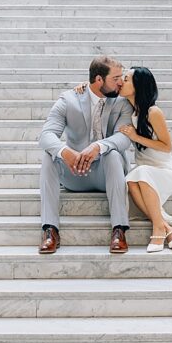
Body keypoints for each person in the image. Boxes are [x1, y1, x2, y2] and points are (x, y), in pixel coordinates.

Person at [75, 66, 172, 253]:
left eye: (126, 79)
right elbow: (102, 91)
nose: (121, 82)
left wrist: (136, 137)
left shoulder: (153, 111)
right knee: (130, 180)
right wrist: (87, 85)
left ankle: (158, 230)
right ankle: (167, 228)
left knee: (138, 174)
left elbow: (167, 146)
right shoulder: (129, 108)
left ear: (138, 85)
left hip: (163, 169)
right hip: (145, 170)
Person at [39, 55, 135, 254]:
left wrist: (98, 147)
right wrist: (66, 152)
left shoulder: (122, 103)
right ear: (99, 80)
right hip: (74, 173)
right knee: (49, 156)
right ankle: (50, 229)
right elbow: (46, 135)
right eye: (115, 78)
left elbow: (124, 139)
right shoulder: (69, 99)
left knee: (113, 153)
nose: (120, 82)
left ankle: (119, 229)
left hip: (106, 172)